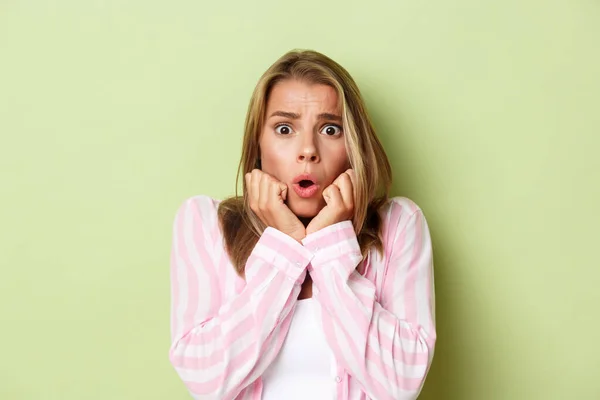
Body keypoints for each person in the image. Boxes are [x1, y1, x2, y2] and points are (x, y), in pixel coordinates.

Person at [168, 49, 436, 400]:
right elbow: (207, 381)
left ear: (353, 146)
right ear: (258, 145)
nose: (308, 150)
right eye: (284, 128)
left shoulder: (399, 225)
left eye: (330, 129)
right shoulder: (205, 224)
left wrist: (329, 245)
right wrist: (286, 244)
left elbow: (401, 383)